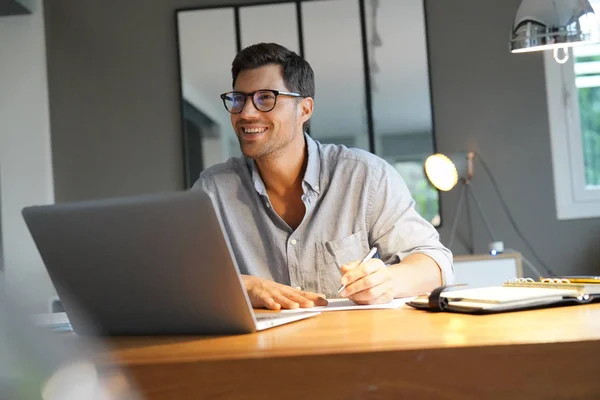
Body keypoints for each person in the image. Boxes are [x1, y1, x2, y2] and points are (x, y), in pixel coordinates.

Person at [193, 42, 453, 310]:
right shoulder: (212, 191)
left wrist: (389, 280)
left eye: (265, 98)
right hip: (258, 349)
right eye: (238, 99)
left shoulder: (365, 176)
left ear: (304, 109)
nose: (246, 113)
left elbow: (435, 262)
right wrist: (245, 285)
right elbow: (183, 278)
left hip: (354, 345)